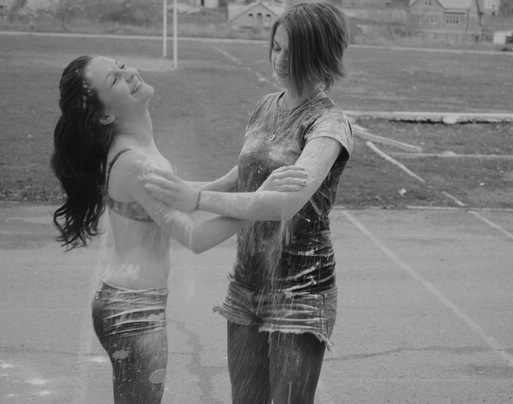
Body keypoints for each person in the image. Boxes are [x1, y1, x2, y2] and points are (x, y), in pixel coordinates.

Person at [50, 55, 307, 404]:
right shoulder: (135, 162)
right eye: (114, 80)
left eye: (121, 66)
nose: (129, 73)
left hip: (129, 304)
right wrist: (261, 203)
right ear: (105, 115)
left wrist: (235, 178)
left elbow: (180, 197)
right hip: (132, 313)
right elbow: (194, 237)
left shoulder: (136, 151)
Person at [144, 2, 353, 403]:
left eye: (293, 52)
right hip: (246, 286)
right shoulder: (265, 106)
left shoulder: (328, 124)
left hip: (301, 293)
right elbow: (244, 174)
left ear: (320, 56)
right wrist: (181, 194)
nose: (280, 60)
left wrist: (199, 198)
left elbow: (283, 204)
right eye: (276, 47)